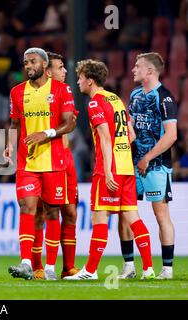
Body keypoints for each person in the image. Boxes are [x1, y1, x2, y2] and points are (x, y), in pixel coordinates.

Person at [65, 59, 154, 280]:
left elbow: (105, 137)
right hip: (127, 168)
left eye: (80, 78)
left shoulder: (95, 103)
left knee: (99, 217)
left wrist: (107, 170)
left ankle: (90, 271)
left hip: (110, 168)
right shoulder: (116, 99)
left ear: (90, 80)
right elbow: (131, 135)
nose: (78, 82)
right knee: (134, 218)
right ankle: (149, 268)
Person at [4, 48, 76, 281]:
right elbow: (15, 124)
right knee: (27, 208)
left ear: (45, 65)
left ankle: (52, 267)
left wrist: (46, 133)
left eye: (33, 61)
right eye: (26, 62)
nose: (28, 66)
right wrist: (9, 146)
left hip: (54, 162)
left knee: (52, 212)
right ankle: (27, 263)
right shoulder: (16, 92)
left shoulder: (61, 89)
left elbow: (69, 123)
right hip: (27, 162)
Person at [118, 52, 178, 280]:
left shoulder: (164, 98)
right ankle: (129, 266)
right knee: (125, 214)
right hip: (131, 165)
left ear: (150, 71)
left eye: (137, 66)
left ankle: (167, 269)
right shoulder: (134, 95)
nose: (133, 69)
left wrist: (147, 157)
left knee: (160, 215)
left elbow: (171, 136)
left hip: (155, 166)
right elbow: (131, 126)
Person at [32, 52, 79, 280]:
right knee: (40, 214)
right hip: (42, 159)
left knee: (70, 213)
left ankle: (68, 267)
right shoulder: (33, 94)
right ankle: (36, 266)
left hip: (65, 160)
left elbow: (70, 122)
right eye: (61, 67)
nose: (65, 71)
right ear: (48, 71)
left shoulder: (64, 93)